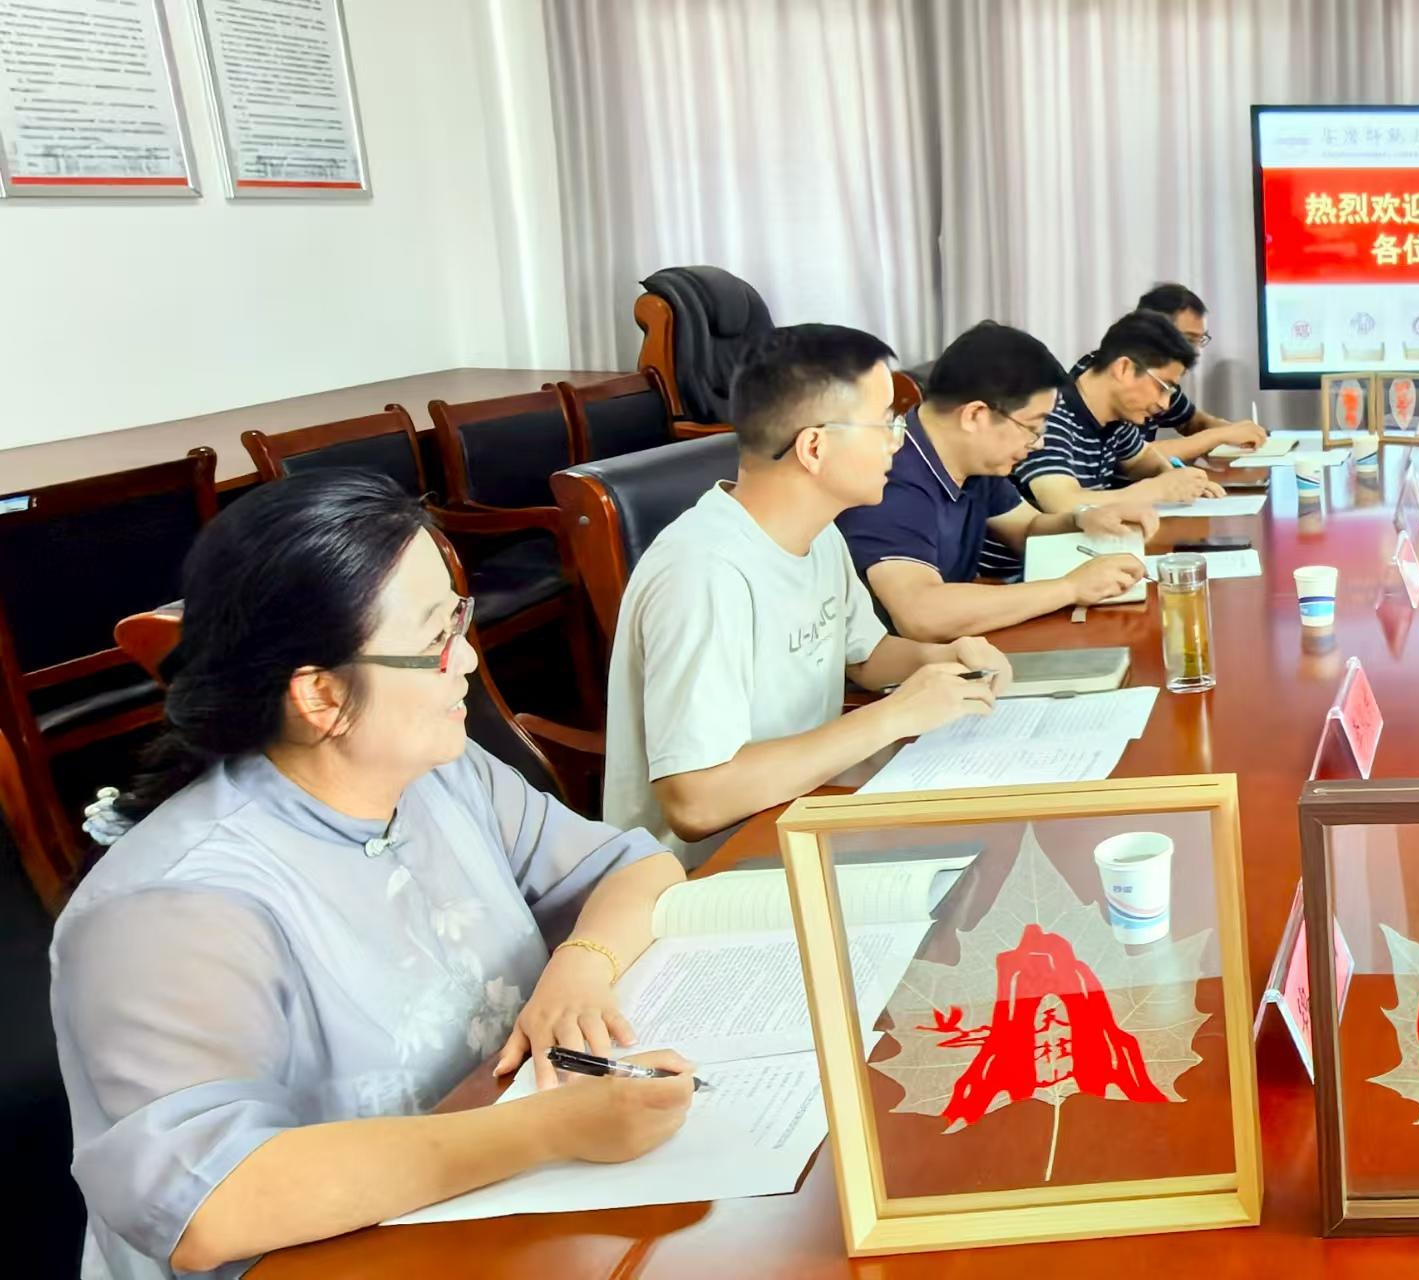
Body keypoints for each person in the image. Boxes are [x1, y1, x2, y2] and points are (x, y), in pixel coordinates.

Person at [52, 471, 696, 1278]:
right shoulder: (172, 908)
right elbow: (208, 1204)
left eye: (457, 618)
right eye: (434, 641)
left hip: (486, 1211)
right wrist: (549, 1129)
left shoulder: (440, 773)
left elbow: (635, 868)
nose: (468, 658)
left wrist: (581, 965)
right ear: (321, 695)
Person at [603, 324, 1014, 861]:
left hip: (802, 814)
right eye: (885, 423)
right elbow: (696, 803)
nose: (898, 441)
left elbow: (863, 656)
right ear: (815, 447)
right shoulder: (703, 573)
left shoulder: (819, 533)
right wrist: (894, 715)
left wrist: (944, 660)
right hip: (711, 869)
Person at [838, 320, 1162, 635]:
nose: (1039, 443)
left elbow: (1028, 528)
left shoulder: (973, 460)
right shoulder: (890, 479)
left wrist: (1084, 519)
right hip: (900, 664)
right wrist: (1070, 588)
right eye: (1032, 427)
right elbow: (921, 614)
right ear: (975, 415)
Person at [1015, 311, 1239, 516]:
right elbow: (1063, 503)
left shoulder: (1115, 418)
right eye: (1163, 387)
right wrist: (1156, 490)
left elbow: (1141, 459)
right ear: (1124, 369)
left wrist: (1175, 479)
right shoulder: (1049, 413)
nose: (1165, 404)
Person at [1107, 283, 1265, 446]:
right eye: (1188, 340)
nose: (1196, 352)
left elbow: (1191, 421)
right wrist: (1217, 436)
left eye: (1200, 340)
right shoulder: (1117, 376)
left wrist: (1237, 433)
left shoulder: (1162, 380)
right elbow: (1137, 455)